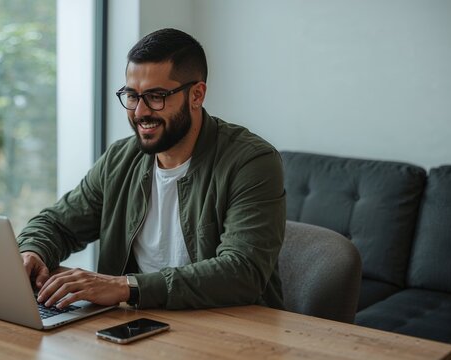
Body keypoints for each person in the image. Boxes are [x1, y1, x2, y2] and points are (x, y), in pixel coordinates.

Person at [17, 28, 286, 310]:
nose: (140, 112)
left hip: (231, 331)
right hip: (134, 327)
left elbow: (241, 272)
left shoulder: (252, 162)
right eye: (132, 96)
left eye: (156, 96)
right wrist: (32, 251)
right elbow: (58, 224)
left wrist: (125, 287)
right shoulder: (120, 159)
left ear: (196, 95)